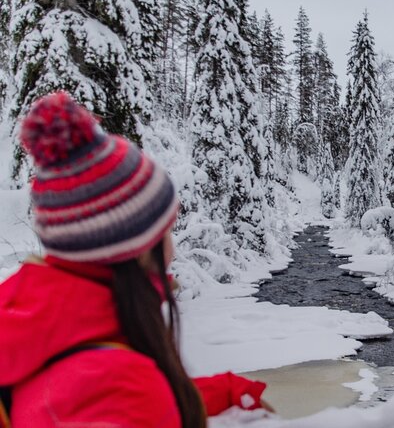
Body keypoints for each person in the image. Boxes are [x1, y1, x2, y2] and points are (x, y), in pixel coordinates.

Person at [0, 92, 270, 427]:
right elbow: (118, 396)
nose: (173, 247)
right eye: (166, 229)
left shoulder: (29, 320)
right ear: (138, 247)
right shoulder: (122, 390)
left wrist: (222, 393)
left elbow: (84, 390)